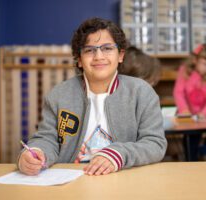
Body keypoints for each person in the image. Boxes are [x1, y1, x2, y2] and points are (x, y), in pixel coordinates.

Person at [18, 17, 167, 176]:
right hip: (70, 178)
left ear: (121, 55)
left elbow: (154, 143)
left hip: (123, 176)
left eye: (107, 48)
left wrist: (118, 154)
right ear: (79, 60)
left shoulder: (141, 92)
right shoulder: (59, 95)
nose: (98, 56)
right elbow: (47, 138)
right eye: (89, 50)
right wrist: (36, 152)